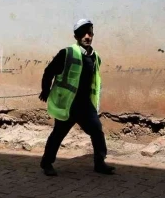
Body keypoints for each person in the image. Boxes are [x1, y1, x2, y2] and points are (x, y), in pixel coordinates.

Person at [39, 18, 116, 176]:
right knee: (58, 133)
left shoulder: (95, 57)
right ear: (76, 36)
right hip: (68, 103)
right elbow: (49, 71)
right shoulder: (67, 53)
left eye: (90, 33)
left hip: (86, 105)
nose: (87, 36)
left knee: (96, 130)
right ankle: (46, 163)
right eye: (83, 33)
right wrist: (45, 90)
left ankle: (100, 163)